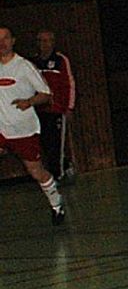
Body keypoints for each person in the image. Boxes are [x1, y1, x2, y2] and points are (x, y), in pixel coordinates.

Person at [0, 25, 65, 225]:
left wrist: (28, 102)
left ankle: (56, 203)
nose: (1, 43)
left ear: (13, 41)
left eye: (5, 38)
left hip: (23, 130)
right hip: (1, 128)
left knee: (35, 171)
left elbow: (46, 94)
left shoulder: (24, 66)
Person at [30, 29, 75, 183]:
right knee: (44, 143)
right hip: (39, 110)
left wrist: (69, 107)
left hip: (56, 109)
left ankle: (57, 175)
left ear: (53, 42)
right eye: (41, 41)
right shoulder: (33, 62)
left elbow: (69, 83)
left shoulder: (60, 60)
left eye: (47, 41)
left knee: (56, 143)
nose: (44, 44)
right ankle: (65, 165)